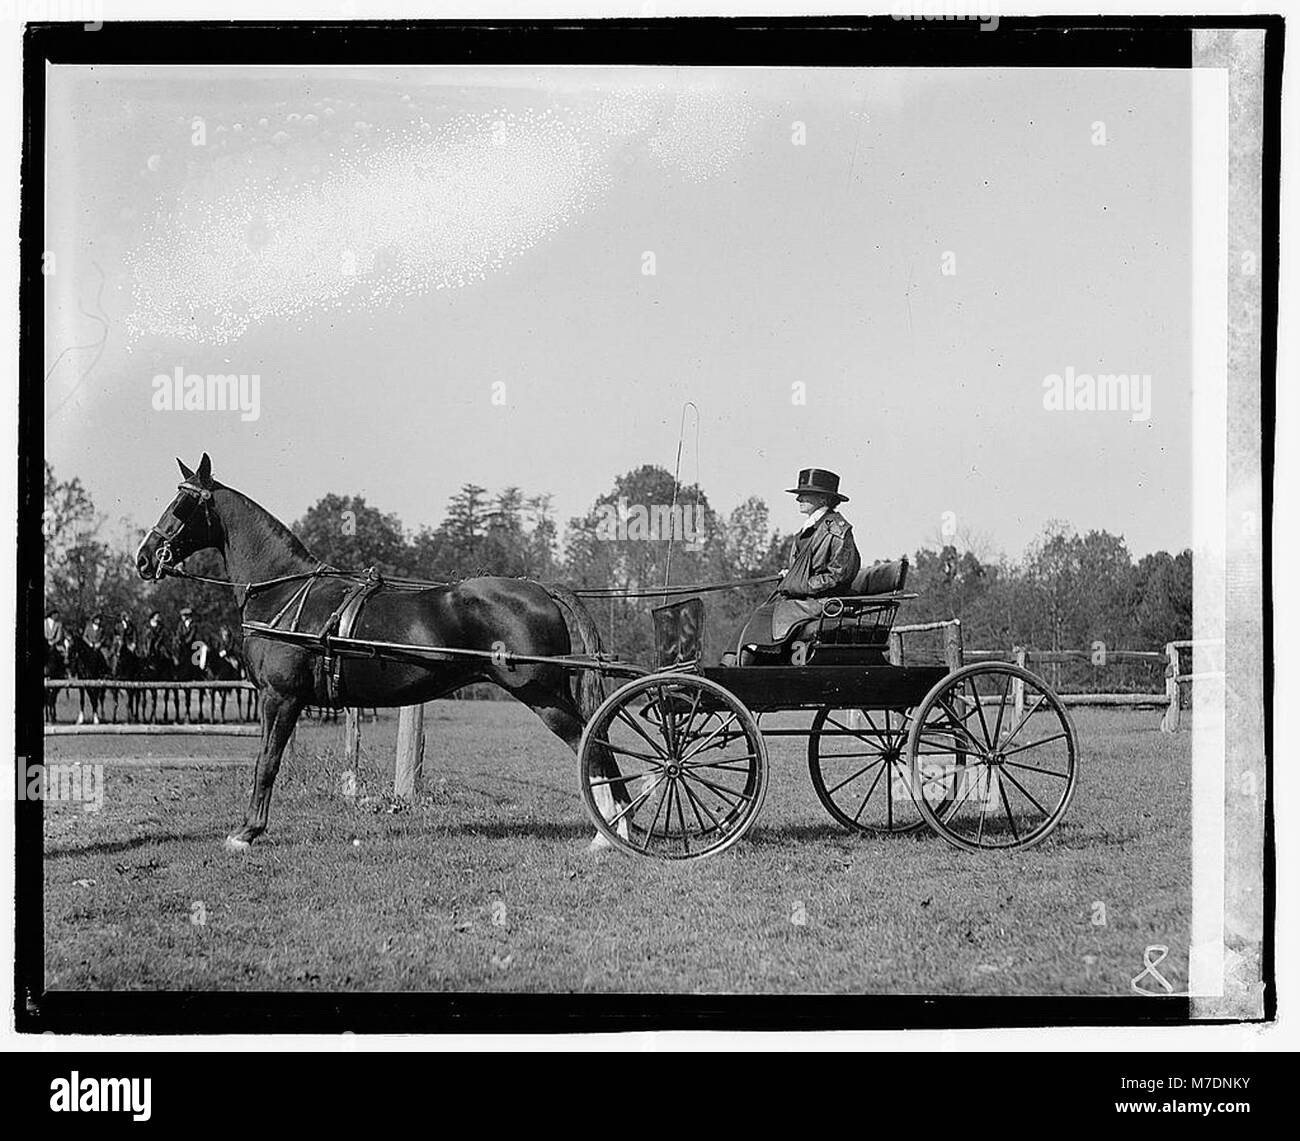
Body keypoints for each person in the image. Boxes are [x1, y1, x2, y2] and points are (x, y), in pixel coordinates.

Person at [734, 468, 861, 664]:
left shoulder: (838, 531)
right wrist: (791, 575)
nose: (798, 499)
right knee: (757, 615)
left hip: (826, 601)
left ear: (823, 499)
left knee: (764, 614)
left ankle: (744, 670)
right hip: (804, 598)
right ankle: (732, 665)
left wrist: (801, 583)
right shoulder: (808, 529)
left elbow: (839, 576)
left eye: (804, 494)